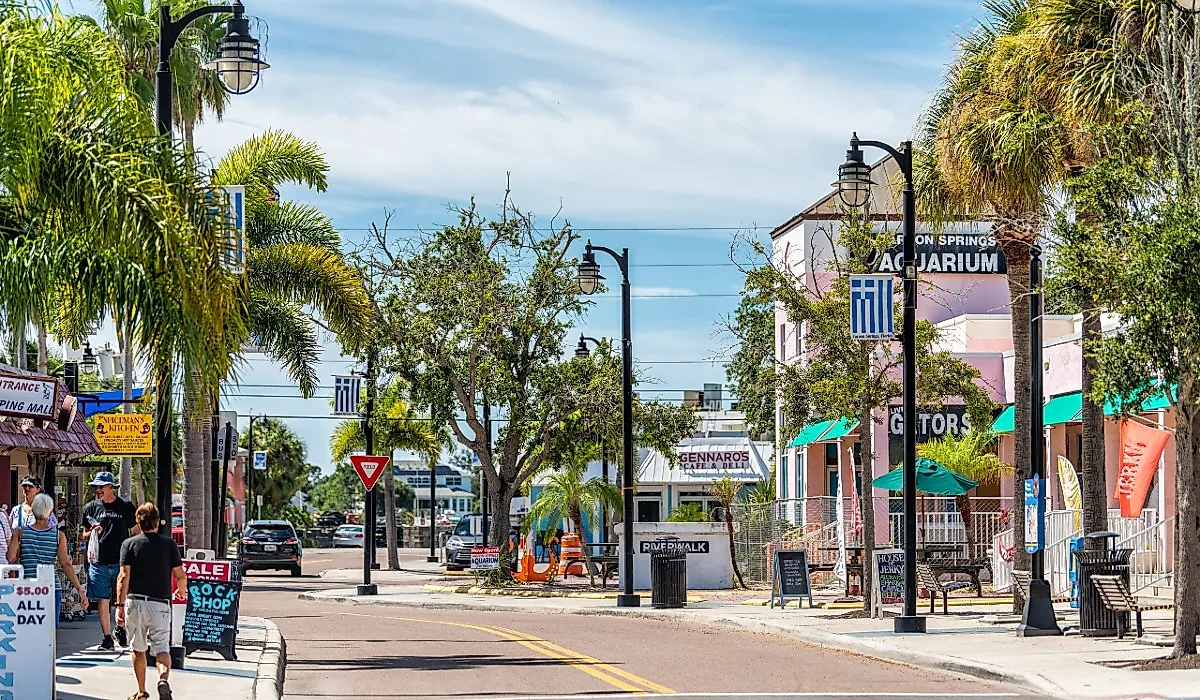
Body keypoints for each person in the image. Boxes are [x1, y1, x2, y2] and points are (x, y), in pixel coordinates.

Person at [116, 502, 186, 700]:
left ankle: (141, 691)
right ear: (157, 522)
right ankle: (163, 679)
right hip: (160, 603)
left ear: (138, 521)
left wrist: (119, 605)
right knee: (162, 648)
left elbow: (123, 577)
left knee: (138, 649)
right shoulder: (169, 544)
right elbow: (180, 575)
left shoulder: (129, 544)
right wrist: (181, 591)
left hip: (136, 601)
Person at [6, 493, 88, 626]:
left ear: (32, 510)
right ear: (50, 513)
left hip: (27, 586)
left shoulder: (20, 532)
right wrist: (79, 589)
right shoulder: (58, 536)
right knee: (49, 632)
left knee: (27, 627)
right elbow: (65, 564)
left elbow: (11, 557)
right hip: (51, 586)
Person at [82, 471, 138, 650]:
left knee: (122, 599)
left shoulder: (126, 506)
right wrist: (93, 531)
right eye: (96, 487)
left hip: (121, 562)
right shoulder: (91, 508)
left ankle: (120, 629)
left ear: (111, 488)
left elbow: (135, 531)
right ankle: (107, 638)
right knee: (102, 600)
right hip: (98, 562)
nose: (97, 490)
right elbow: (83, 535)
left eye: (101, 486)